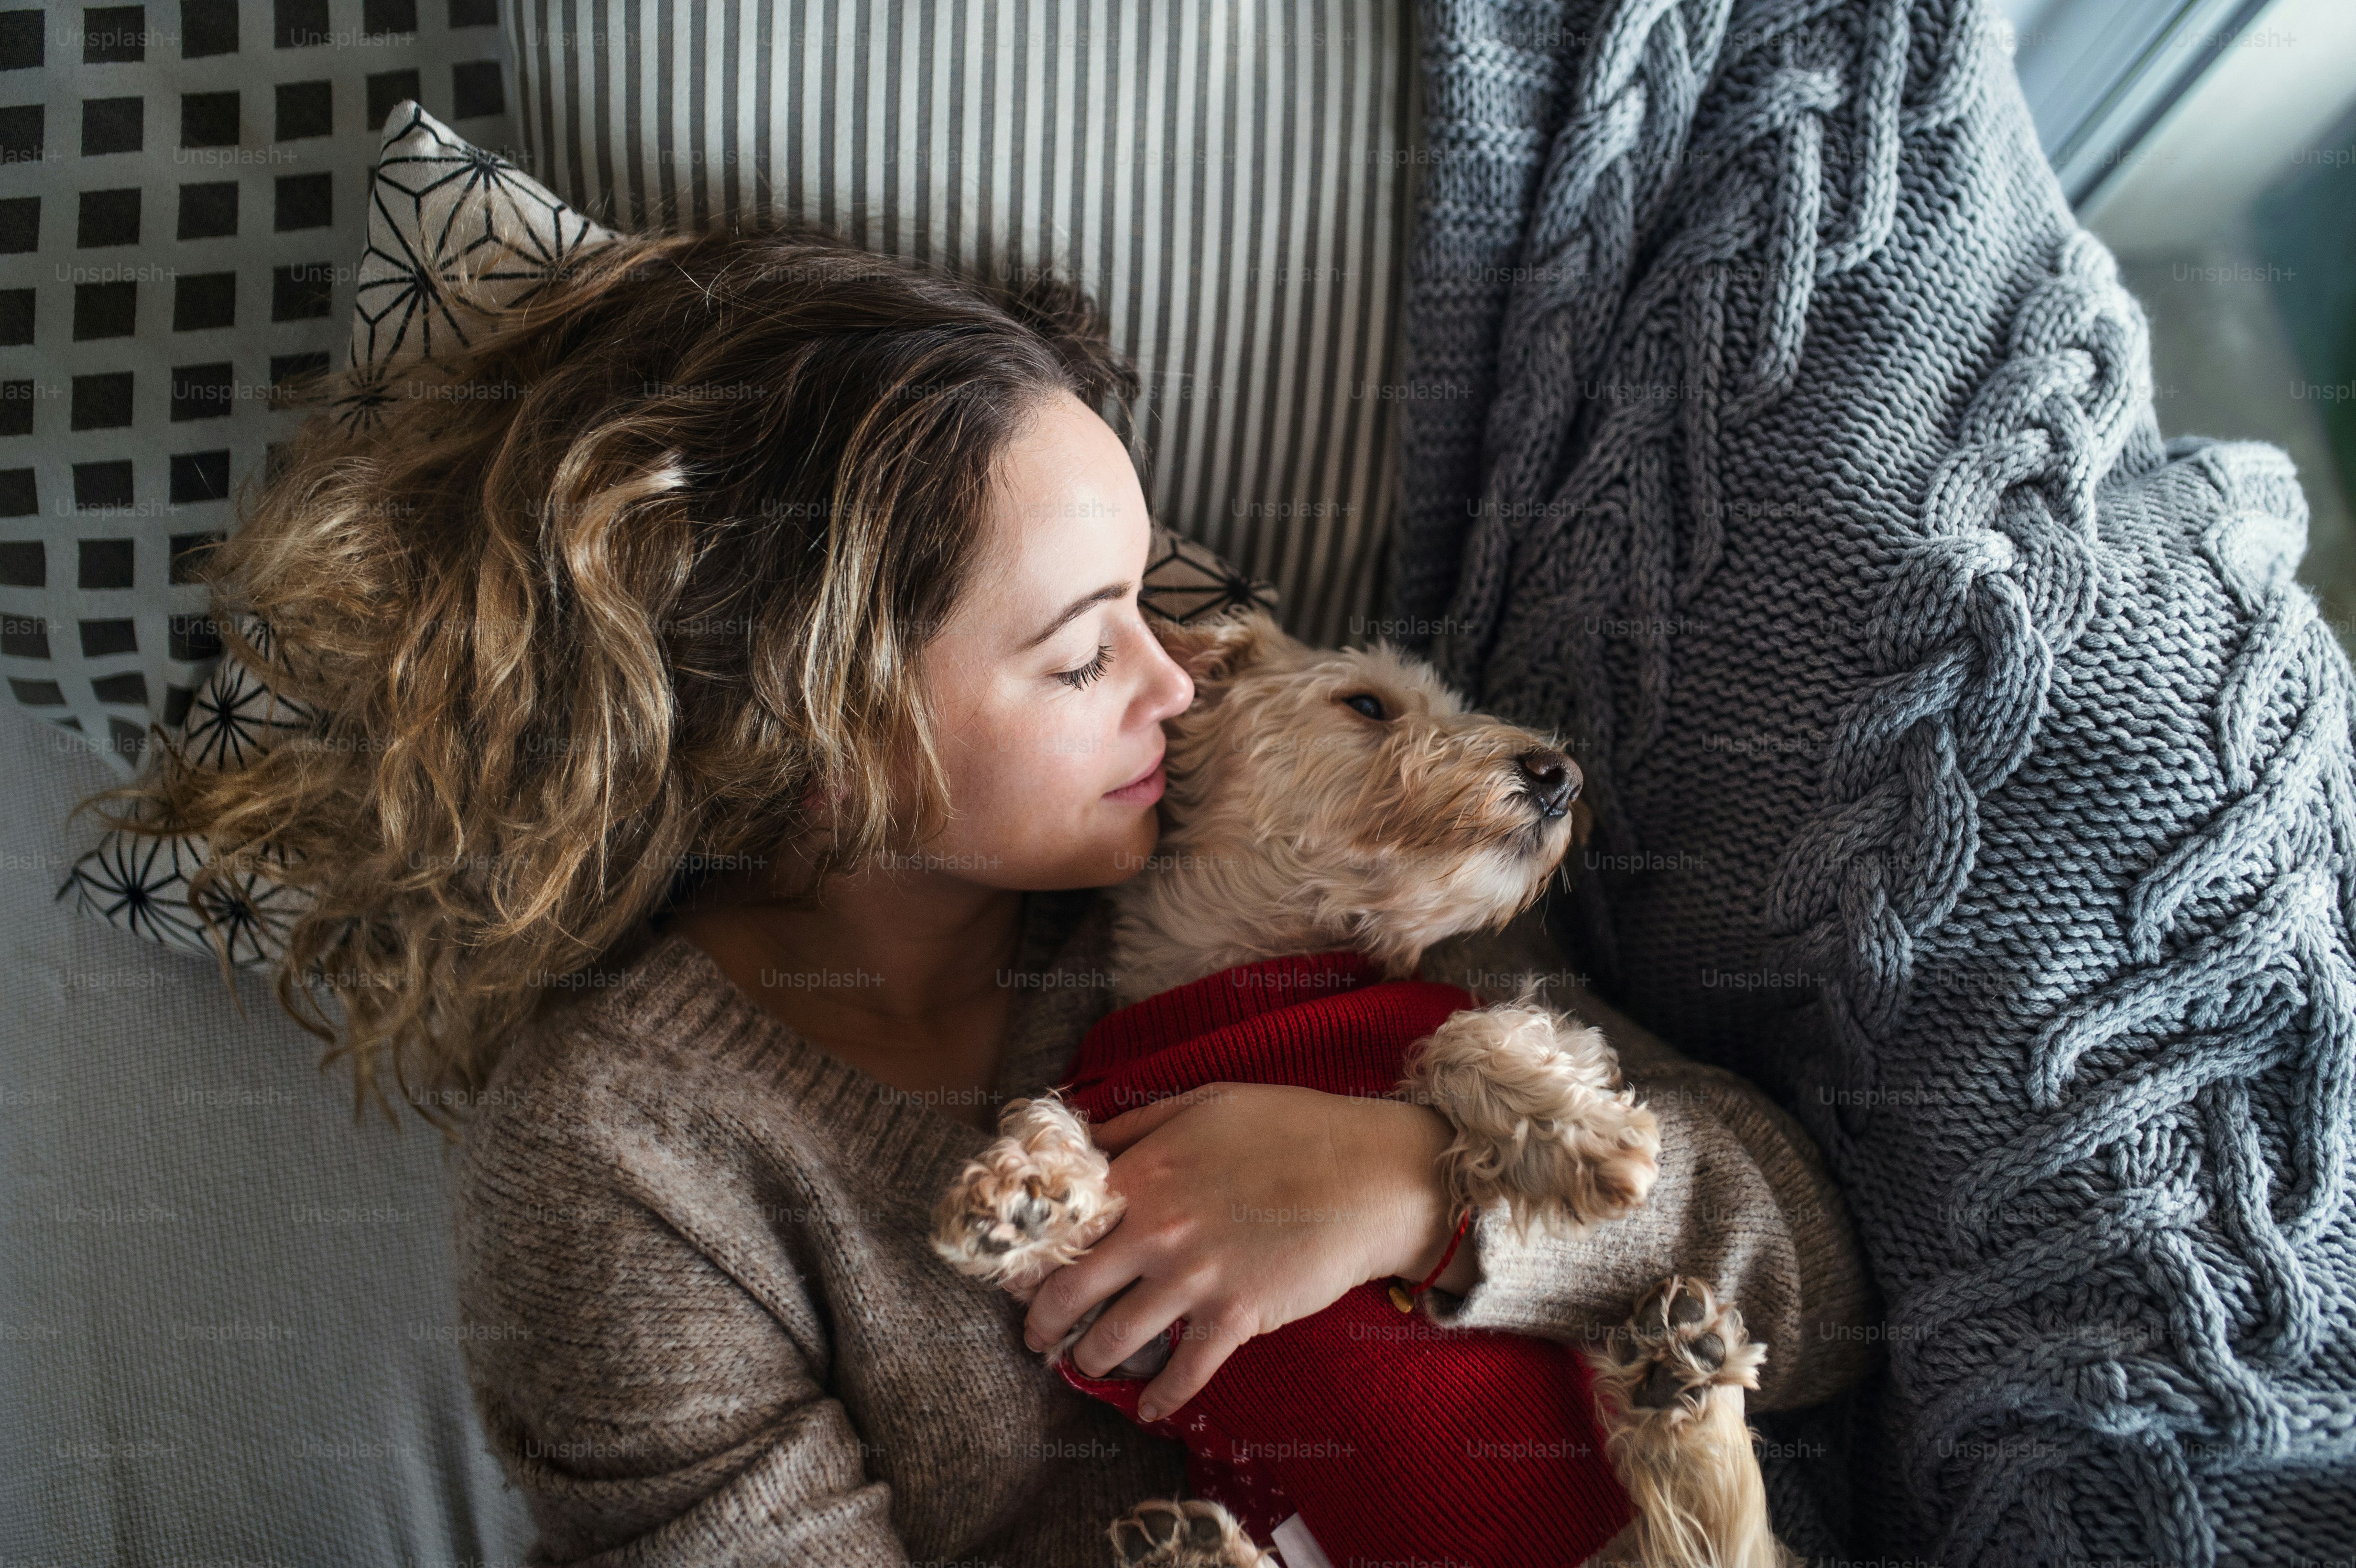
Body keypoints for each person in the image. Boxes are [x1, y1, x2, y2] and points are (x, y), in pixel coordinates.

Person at [100, 218, 1876, 1564]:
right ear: (820, 733)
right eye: (1083, 652)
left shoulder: (1277, 867)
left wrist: (1410, 1188)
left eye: (1153, 608)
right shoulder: (623, 1168)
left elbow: (1810, 1288)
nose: (1178, 686)